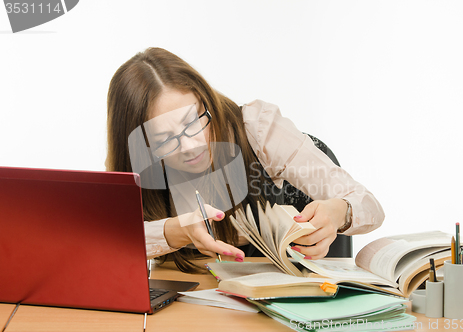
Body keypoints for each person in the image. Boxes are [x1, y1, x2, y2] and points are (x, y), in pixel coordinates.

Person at [106, 47, 385, 272]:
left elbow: (368, 204)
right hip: (201, 300)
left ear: (206, 101)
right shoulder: (137, 165)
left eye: (193, 122)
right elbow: (107, 241)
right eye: (165, 139)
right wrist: (175, 231)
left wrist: (340, 212)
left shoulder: (259, 129)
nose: (192, 146)